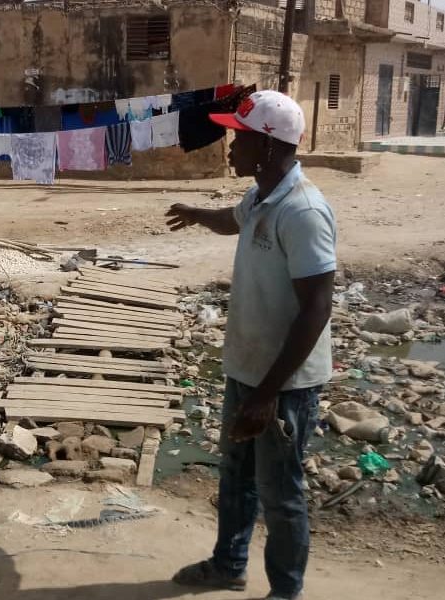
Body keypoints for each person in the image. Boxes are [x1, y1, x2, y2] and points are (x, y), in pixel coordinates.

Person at [165, 91, 336, 600]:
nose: (229, 147)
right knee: (236, 476)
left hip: (283, 384)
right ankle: (228, 564)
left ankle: (286, 591)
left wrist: (267, 394)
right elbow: (234, 220)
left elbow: (316, 308)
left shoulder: (304, 211)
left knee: (281, 495)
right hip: (247, 369)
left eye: (239, 137)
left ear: (266, 144)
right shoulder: (262, 195)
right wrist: (197, 214)